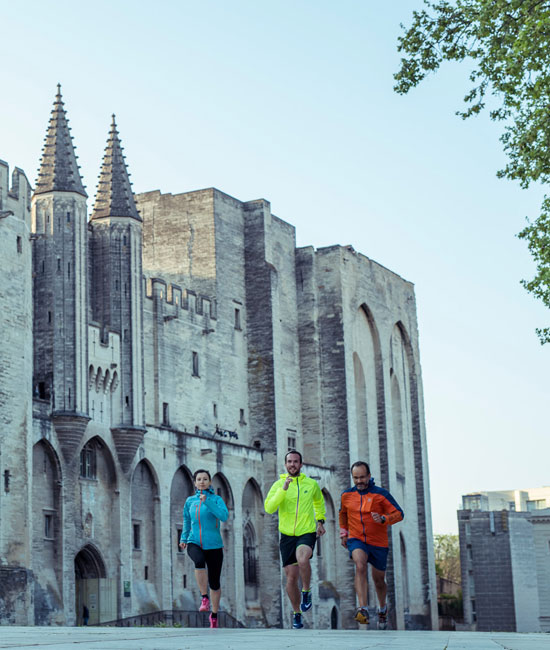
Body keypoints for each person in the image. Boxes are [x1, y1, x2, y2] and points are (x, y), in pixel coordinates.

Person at [264, 450, 326, 630]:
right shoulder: (278, 485)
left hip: (306, 531)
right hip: (286, 536)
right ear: (285, 464)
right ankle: (296, 612)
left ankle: (306, 591)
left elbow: (318, 502)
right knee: (291, 578)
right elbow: (269, 508)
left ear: (301, 464)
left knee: (303, 559)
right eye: (289, 462)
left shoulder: (311, 484)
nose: (292, 464)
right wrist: (283, 490)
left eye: (296, 462)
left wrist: (320, 521)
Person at [339, 461, 404, 630]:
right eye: (356, 478)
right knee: (359, 565)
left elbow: (399, 514)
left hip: (378, 543)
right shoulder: (346, 495)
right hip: (356, 539)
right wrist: (344, 533)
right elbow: (343, 515)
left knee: (379, 581)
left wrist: (384, 519)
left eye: (362, 477)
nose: (359, 481)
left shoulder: (381, 494)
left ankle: (382, 609)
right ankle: (363, 609)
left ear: (369, 476)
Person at [179, 469, 229, 629]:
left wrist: (207, 501)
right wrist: (183, 538)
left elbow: (224, 516)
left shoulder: (216, 499)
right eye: (199, 479)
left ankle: (213, 615)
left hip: (214, 545)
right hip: (194, 541)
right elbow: (187, 520)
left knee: (215, 582)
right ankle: (204, 597)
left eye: (205, 479)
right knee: (198, 561)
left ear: (209, 482)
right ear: (195, 482)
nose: (202, 481)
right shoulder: (189, 501)